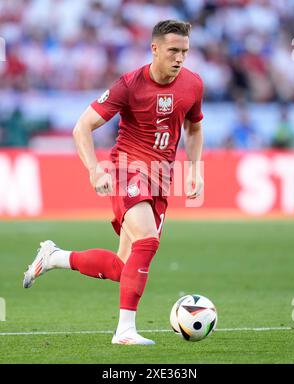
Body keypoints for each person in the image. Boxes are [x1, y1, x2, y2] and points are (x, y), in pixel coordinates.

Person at [23, 20, 204, 345]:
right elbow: (82, 127)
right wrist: (94, 169)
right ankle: (125, 331)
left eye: (185, 52)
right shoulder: (129, 85)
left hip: (161, 179)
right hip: (127, 170)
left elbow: (194, 127)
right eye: (173, 51)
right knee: (147, 241)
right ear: (155, 49)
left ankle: (54, 257)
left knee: (123, 267)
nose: (179, 58)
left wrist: (196, 170)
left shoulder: (193, 84)